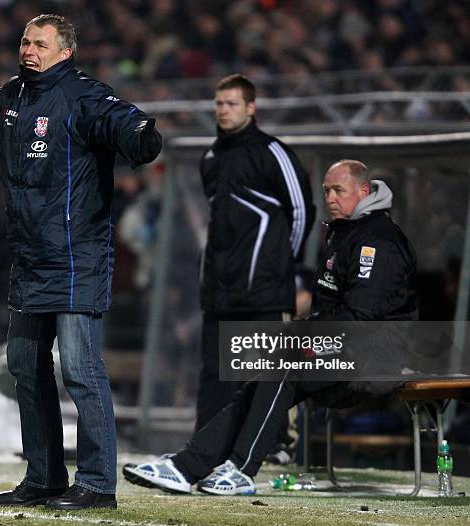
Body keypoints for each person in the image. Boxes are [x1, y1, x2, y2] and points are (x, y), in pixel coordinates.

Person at [0, 14, 161, 510]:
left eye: (40, 43)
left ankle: (98, 483)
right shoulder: (12, 98)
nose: (29, 49)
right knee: (24, 364)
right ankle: (43, 476)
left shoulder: (84, 95)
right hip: (31, 259)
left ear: (65, 52)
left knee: (81, 370)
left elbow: (121, 120)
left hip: (76, 256)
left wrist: (141, 135)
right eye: (24, 41)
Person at [123, 159, 417, 496]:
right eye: (326, 191)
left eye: (339, 190)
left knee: (283, 367)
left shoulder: (377, 242)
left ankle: (242, 469)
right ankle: (187, 466)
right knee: (265, 373)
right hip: (347, 351)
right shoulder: (346, 232)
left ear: (364, 192)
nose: (331, 198)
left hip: (377, 359)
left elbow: (363, 320)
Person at [195, 74, 315, 432]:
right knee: (215, 376)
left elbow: (302, 211)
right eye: (219, 104)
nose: (223, 111)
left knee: (264, 377)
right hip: (219, 291)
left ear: (251, 107)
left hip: (261, 290)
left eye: (232, 104)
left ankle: (275, 446)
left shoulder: (273, 153)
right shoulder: (211, 157)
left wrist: (279, 265)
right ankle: (202, 452)